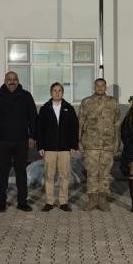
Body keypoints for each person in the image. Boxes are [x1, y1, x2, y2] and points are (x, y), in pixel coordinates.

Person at [0, 71, 37, 212]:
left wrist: (32, 136)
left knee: (21, 172)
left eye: (14, 79)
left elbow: (33, 117)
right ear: (5, 81)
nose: (12, 81)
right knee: (3, 172)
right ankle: (1, 203)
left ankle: (22, 202)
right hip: (3, 141)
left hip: (21, 140)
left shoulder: (26, 96)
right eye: (9, 79)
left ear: (18, 80)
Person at [78, 78, 120, 211]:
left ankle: (102, 200)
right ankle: (92, 200)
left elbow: (117, 124)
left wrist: (117, 143)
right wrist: (78, 141)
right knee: (91, 173)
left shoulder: (113, 102)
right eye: (97, 85)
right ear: (94, 87)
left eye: (102, 85)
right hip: (91, 144)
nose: (100, 88)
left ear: (105, 87)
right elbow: (80, 122)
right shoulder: (86, 102)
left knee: (105, 173)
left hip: (108, 144)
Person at [36, 82, 79, 212]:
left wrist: (73, 145)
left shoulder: (69, 108)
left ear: (62, 93)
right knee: (49, 176)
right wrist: (40, 146)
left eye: (59, 90)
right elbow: (40, 129)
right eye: (54, 90)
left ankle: (63, 202)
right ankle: (49, 202)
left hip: (65, 149)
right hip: (49, 148)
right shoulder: (45, 109)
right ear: (51, 92)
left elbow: (74, 128)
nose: (57, 93)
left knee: (64, 176)